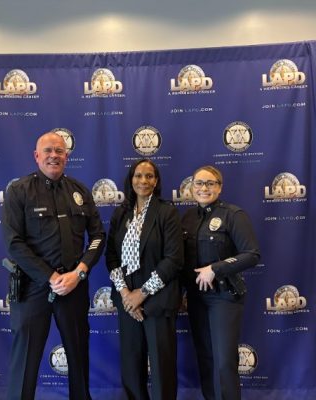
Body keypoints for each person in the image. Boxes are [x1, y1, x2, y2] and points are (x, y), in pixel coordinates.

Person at [2, 132, 105, 400]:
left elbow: (97, 237)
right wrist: (50, 277)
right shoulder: (19, 190)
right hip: (32, 287)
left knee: (78, 355)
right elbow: (14, 243)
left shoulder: (80, 191)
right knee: (25, 360)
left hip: (73, 285)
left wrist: (79, 272)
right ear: (37, 156)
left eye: (59, 151)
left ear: (66, 157)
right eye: (48, 150)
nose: (53, 156)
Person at [105, 159, 183, 400]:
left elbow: (174, 259)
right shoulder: (121, 213)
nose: (143, 181)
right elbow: (112, 256)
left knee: (161, 366)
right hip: (127, 301)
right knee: (131, 364)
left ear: (156, 181)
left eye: (149, 176)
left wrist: (142, 293)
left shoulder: (166, 212)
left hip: (158, 299)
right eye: (138, 175)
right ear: (131, 180)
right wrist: (126, 294)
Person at [180, 165, 260, 400]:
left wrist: (215, 269)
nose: (204, 188)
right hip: (196, 298)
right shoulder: (187, 218)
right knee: (206, 357)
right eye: (199, 183)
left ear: (220, 187)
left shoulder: (233, 215)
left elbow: (252, 254)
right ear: (191, 187)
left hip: (224, 297)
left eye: (210, 183)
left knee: (224, 361)